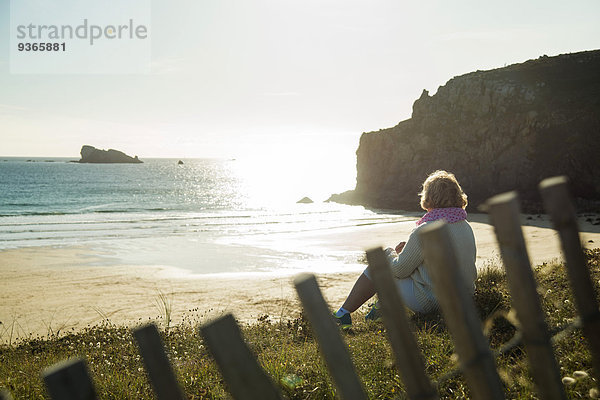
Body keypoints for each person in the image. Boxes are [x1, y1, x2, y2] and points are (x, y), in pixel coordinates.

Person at [334, 170, 477, 329]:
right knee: (401, 262)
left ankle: (342, 315)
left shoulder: (425, 230)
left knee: (381, 263)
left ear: (429, 197)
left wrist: (392, 255)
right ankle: (379, 311)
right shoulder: (465, 226)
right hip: (463, 298)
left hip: (433, 301)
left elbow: (400, 270)